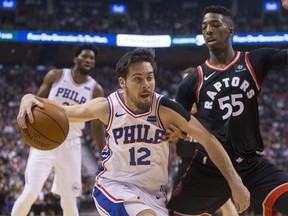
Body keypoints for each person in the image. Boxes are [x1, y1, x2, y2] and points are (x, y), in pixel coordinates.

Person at [17, 48, 250, 216]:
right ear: (123, 82)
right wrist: (29, 97)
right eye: (137, 79)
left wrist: (236, 182)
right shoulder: (107, 106)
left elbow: (208, 140)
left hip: (154, 194)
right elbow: (65, 111)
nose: (146, 84)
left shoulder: (167, 110)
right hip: (114, 185)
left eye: (149, 78)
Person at [167, 4, 288, 216]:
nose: (208, 30)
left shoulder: (254, 61)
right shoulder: (192, 81)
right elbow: (179, 127)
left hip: (250, 163)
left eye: (215, 25)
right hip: (209, 168)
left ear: (230, 29)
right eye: (204, 26)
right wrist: (176, 133)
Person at [12, 44, 106, 216]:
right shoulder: (56, 75)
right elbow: (37, 102)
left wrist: (103, 152)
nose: (88, 60)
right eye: (85, 56)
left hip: (72, 145)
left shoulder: (96, 90)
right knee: (31, 192)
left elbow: (97, 126)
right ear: (75, 58)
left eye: (92, 58)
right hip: (45, 142)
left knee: (69, 199)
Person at [173, 67, 238, 216]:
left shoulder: (212, 106)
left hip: (210, 162)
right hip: (186, 163)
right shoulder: (176, 108)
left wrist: (186, 136)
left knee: (225, 202)